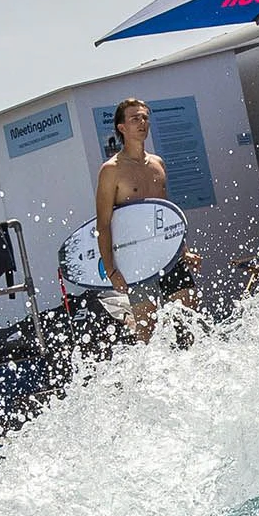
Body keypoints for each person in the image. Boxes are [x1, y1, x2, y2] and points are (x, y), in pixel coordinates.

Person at [94, 97, 198, 339]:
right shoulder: (111, 170)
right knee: (147, 329)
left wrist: (184, 250)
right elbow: (103, 223)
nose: (142, 122)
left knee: (189, 318)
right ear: (122, 128)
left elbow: (167, 215)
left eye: (144, 117)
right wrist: (111, 270)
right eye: (135, 118)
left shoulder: (158, 163)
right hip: (136, 261)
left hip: (168, 255)